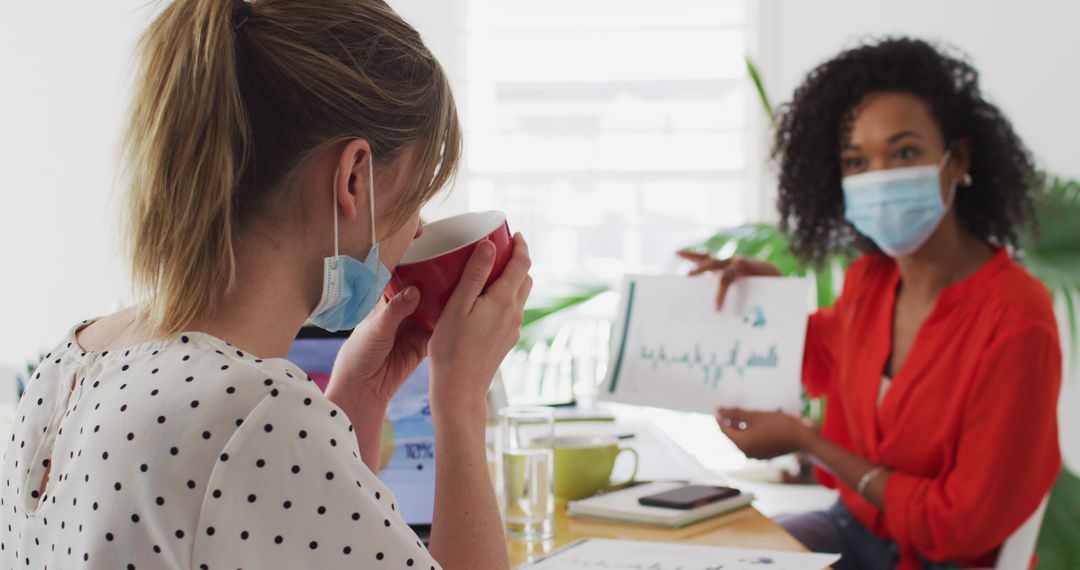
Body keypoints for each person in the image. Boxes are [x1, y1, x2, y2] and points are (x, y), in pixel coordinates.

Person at [0, 1, 530, 568]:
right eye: (414, 196)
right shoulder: (256, 417)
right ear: (353, 178)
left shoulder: (70, 361)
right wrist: (461, 401)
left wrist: (358, 398)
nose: (418, 227)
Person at [679, 38, 1060, 570]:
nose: (879, 176)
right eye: (857, 161)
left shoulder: (1017, 319)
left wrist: (806, 443)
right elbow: (821, 359)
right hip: (855, 530)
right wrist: (768, 301)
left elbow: (960, 527)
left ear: (960, 159)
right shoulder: (870, 282)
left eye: (904, 152)